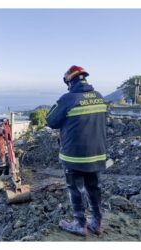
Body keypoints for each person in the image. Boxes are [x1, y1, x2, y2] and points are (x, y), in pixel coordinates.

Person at [46, 65, 107, 236]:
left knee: (75, 189)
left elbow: (50, 121)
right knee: (94, 188)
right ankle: (97, 222)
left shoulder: (68, 99)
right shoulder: (100, 97)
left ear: (69, 82)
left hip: (74, 157)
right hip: (97, 154)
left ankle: (80, 224)